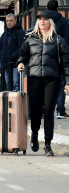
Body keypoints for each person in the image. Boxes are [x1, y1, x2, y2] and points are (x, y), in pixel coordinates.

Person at [17, 9, 69, 157]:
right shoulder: (30, 39)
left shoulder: (58, 40)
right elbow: (23, 54)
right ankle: (34, 134)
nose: (42, 22)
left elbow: (66, 62)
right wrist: (21, 63)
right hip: (34, 79)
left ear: (50, 22)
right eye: (40, 19)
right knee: (35, 111)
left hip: (52, 79)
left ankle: (47, 144)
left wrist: (67, 82)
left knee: (48, 111)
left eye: (45, 20)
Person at [45, 1, 69, 117]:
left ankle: (45, 110)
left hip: (44, 56)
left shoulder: (41, 20)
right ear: (58, 8)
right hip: (59, 56)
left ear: (47, 7)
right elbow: (67, 38)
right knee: (60, 83)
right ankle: (60, 110)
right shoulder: (63, 20)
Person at [0, 14, 24, 92]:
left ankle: (17, 103)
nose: (9, 23)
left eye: (11, 21)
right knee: (8, 85)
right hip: (6, 63)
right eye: (7, 21)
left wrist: (13, 56)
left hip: (16, 63)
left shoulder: (20, 32)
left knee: (16, 85)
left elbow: (22, 47)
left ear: (15, 21)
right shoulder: (5, 33)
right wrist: (0, 55)